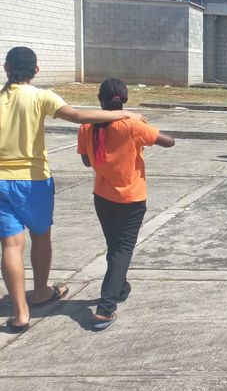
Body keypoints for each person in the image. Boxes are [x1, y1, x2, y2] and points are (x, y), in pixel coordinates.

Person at [0, 46, 146, 333]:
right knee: (40, 238)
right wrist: (124, 113)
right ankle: (40, 292)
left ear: (6, 68)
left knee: (10, 245)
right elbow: (78, 116)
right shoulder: (41, 96)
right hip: (33, 180)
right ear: (36, 70)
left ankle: (20, 314)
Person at [77, 79, 175, 330]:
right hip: (131, 198)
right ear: (125, 100)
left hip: (102, 196)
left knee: (114, 247)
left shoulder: (87, 125)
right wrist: (140, 123)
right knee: (122, 250)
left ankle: (120, 287)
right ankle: (105, 308)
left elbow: (87, 163)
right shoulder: (131, 125)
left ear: (100, 99)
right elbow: (168, 141)